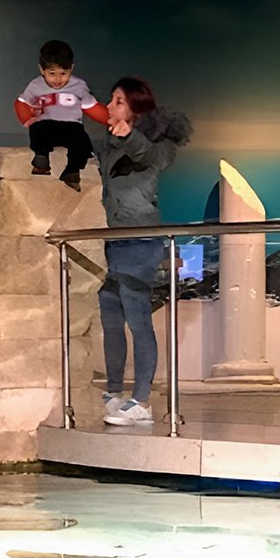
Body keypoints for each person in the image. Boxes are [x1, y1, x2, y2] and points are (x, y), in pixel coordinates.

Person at [97, 76, 192, 427]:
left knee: (138, 321)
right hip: (112, 241)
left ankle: (141, 400)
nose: (110, 106)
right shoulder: (109, 144)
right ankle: (114, 393)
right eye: (111, 99)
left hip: (139, 242)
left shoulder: (159, 145)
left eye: (118, 101)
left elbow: (147, 156)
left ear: (136, 109)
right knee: (110, 319)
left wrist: (129, 135)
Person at [13, 40, 110, 191]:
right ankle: (41, 159)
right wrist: (26, 119)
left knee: (83, 144)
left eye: (63, 73)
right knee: (37, 128)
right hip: (46, 124)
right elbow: (22, 103)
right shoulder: (35, 86)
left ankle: (72, 172)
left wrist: (112, 121)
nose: (58, 79)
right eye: (52, 73)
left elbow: (92, 107)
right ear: (42, 70)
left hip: (72, 127)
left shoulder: (79, 86)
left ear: (71, 68)